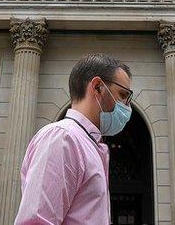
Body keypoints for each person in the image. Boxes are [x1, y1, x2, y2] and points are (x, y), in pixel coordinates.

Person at [15, 53, 133, 224]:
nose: (127, 107)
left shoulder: (85, 143)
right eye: (123, 95)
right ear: (98, 87)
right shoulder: (62, 139)